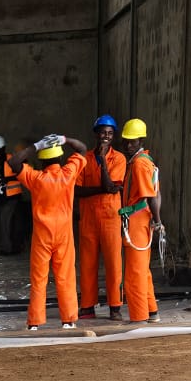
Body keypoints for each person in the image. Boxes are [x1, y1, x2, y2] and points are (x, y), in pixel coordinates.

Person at [11, 134, 88, 330]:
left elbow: (14, 162)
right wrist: (65, 139)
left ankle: (35, 322)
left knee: (39, 279)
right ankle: (69, 320)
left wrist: (35, 146)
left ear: (42, 160)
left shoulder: (36, 179)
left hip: (42, 237)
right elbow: (82, 149)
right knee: (65, 277)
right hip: (63, 234)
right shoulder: (68, 173)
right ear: (61, 158)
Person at [76, 115, 126, 320]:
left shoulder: (119, 159)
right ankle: (87, 306)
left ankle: (115, 306)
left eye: (110, 133)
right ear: (96, 134)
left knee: (114, 263)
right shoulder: (84, 159)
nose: (106, 136)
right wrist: (103, 190)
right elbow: (77, 190)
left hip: (110, 218)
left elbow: (111, 186)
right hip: (89, 219)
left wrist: (103, 161)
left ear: (113, 136)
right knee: (87, 263)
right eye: (103, 132)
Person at [118, 119, 164, 323]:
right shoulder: (147, 161)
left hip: (137, 221)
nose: (129, 145)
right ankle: (152, 312)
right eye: (127, 141)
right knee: (142, 271)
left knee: (134, 275)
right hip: (141, 219)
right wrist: (156, 220)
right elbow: (156, 193)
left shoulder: (138, 164)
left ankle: (139, 317)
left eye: (133, 141)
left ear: (141, 140)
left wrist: (158, 221)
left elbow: (151, 196)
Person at [0, 135, 27, 255]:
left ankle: (8, 248)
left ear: (4, 149)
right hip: (1, 197)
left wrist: (7, 179)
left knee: (7, 223)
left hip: (13, 196)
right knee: (7, 223)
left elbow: (23, 174)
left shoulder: (12, 159)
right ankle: (13, 247)